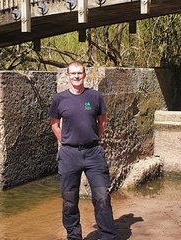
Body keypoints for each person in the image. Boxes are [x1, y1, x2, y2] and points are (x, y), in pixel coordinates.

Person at [48, 61, 117, 240]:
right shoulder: (59, 99)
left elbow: (102, 121)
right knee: (69, 199)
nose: (76, 76)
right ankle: (74, 236)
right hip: (69, 154)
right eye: (73, 73)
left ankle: (108, 236)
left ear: (85, 75)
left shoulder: (94, 97)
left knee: (102, 196)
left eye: (79, 73)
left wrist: (94, 138)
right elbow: (54, 124)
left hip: (93, 153)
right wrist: (65, 141)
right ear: (68, 76)